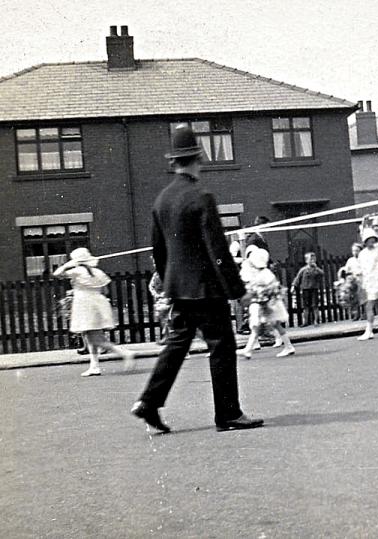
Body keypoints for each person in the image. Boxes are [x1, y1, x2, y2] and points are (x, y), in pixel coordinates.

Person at [132, 125, 263, 433]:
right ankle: (228, 413)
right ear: (197, 158)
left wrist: (167, 285)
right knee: (222, 346)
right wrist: (237, 289)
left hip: (179, 289)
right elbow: (217, 249)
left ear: (174, 162)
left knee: (176, 345)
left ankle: (148, 402)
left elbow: (159, 251)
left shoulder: (162, 200)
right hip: (206, 290)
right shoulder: (201, 197)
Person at [52, 248, 136, 377]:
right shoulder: (98, 272)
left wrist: (67, 265)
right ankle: (94, 366)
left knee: (94, 338)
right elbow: (105, 291)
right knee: (90, 336)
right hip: (98, 303)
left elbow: (56, 274)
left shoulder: (76, 271)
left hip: (85, 304)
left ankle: (124, 353)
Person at [238, 248, 296, 358]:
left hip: (269, 304)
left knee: (263, 325)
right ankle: (249, 349)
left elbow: (272, 289)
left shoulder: (265, 273)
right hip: (267, 303)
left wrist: (262, 297)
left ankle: (249, 349)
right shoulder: (260, 272)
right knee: (263, 325)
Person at [291, 252, 325, 326]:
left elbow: (322, 274)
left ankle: (316, 321)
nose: (312, 261)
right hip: (305, 289)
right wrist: (293, 286)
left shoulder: (316, 269)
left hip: (314, 289)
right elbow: (297, 278)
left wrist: (316, 268)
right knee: (306, 306)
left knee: (315, 305)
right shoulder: (303, 270)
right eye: (310, 259)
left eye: (313, 259)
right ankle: (305, 322)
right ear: (306, 261)